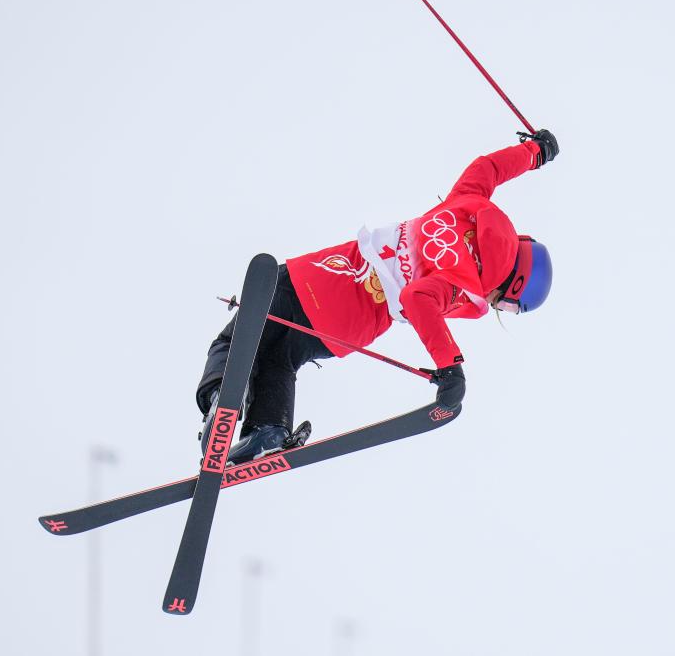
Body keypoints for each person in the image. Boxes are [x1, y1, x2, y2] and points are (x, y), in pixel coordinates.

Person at [197, 130, 559, 464]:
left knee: (240, 340)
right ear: (514, 284)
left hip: (323, 275)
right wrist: (450, 366)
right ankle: (268, 429)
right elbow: (418, 298)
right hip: (347, 326)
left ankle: (219, 397)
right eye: (508, 305)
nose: (497, 306)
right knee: (280, 358)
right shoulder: (463, 284)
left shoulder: (468, 204)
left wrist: (535, 152)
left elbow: (489, 167)